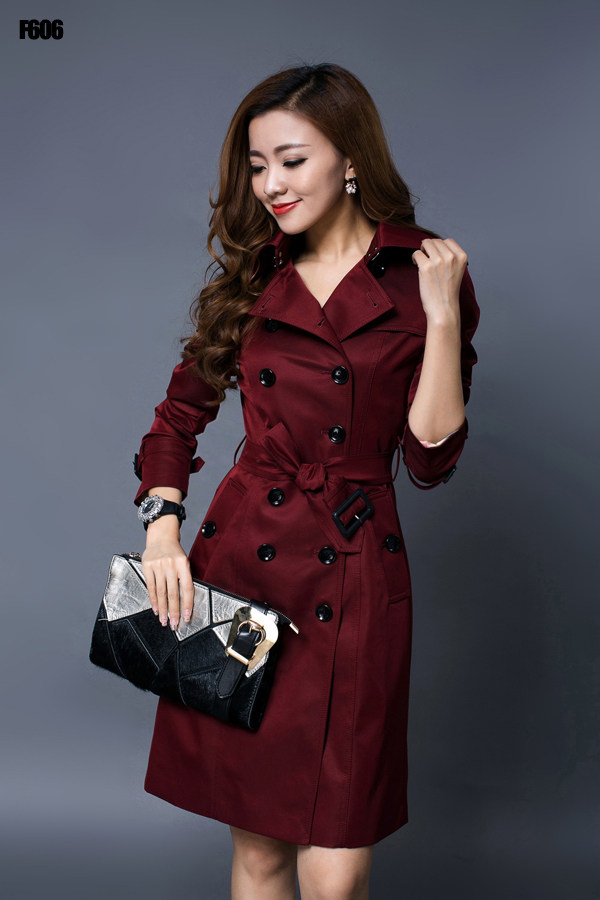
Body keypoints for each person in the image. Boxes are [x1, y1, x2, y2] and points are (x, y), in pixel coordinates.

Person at [132, 62, 480, 900]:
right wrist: (162, 527)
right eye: (259, 167)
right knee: (259, 851)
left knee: (337, 872)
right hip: (245, 578)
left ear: (350, 159)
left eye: (291, 160)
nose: (272, 185)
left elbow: (430, 459)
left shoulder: (428, 275)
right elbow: (177, 418)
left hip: (355, 576)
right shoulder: (256, 273)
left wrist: (439, 317)